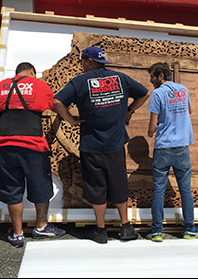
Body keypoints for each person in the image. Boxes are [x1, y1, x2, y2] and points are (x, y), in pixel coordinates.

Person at [53, 46, 150, 244]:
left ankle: (101, 230)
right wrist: (129, 111)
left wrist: (70, 119)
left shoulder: (80, 82)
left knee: (97, 187)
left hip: (92, 145)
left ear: (89, 61)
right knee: (119, 183)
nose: (81, 65)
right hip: (115, 145)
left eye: (82, 62)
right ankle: (125, 227)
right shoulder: (120, 78)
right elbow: (143, 94)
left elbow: (57, 102)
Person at [0, 62, 66, 247]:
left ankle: (17, 234)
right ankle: (41, 226)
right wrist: (70, 119)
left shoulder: (0, 87)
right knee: (40, 186)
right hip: (33, 147)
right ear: (32, 71)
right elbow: (55, 103)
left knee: (12, 189)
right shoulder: (39, 85)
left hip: (5, 146)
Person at [145, 62, 198, 242]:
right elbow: (189, 111)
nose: (150, 80)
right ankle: (189, 229)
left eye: (152, 76)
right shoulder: (183, 90)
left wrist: (149, 133)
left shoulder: (157, 94)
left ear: (161, 76)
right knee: (185, 190)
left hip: (163, 148)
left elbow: (153, 126)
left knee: (159, 191)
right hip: (181, 147)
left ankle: (156, 231)